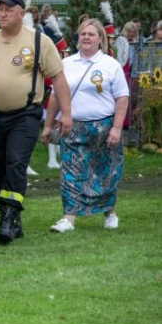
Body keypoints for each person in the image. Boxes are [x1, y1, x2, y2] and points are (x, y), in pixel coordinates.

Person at [0, 0, 71, 245]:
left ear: (21, 12)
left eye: (8, 9)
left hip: (25, 115)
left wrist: (67, 114)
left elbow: (59, 79)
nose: (2, 13)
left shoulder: (40, 41)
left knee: (15, 163)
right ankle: (12, 215)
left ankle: (7, 217)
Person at [43, 20, 129, 233]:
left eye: (91, 34)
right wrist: (47, 125)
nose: (86, 37)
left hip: (104, 127)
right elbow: (54, 96)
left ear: (100, 38)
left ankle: (109, 212)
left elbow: (122, 98)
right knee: (70, 172)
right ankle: (68, 219)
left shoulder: (111, 65)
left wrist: (117, 128)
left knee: (104, 172)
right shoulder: (66, 64)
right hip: (71, 127)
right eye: (83, 34)